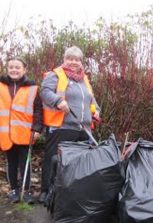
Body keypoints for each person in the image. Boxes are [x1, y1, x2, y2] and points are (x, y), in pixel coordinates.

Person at [39, 46, 100, 203]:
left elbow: (91, 100)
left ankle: (71, 195)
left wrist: (96, 111)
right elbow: (44, 92)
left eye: (77, 59)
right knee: (54, 160)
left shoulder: (84, 80)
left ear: (81, 62)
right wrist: (58, 101)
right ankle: (47, 192)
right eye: (70, 58)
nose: (73, 62)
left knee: (80, 163)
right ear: (65, 60)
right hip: (61, 127)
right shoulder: (55, 75)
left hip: (83, 129)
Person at [0, 58, 43, 204]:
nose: (14, 70)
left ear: (24, 69)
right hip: (6, 134)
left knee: (26, 163)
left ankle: (27, 190)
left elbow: (38, 110)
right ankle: (13, 190)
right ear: (7, 69)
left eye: (17, 67)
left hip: (24, 134)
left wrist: (37, 128)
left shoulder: (33, 89)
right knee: (11, 163)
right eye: (11, 67)